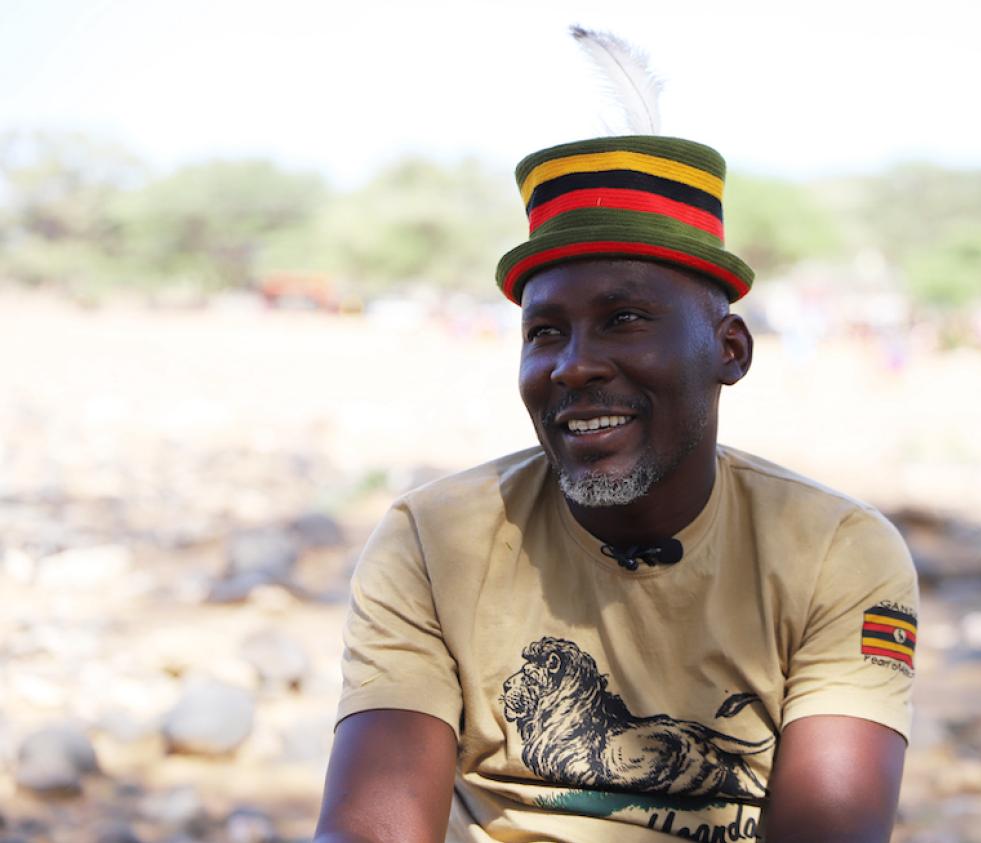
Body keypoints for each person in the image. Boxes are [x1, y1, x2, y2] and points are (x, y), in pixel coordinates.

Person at [314, 135, 918, 843]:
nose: (573, 366)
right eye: (544, 331)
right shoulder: (433, 538)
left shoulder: (835, 552)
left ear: (730, 350)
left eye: (623, 320)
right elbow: (370, 830)